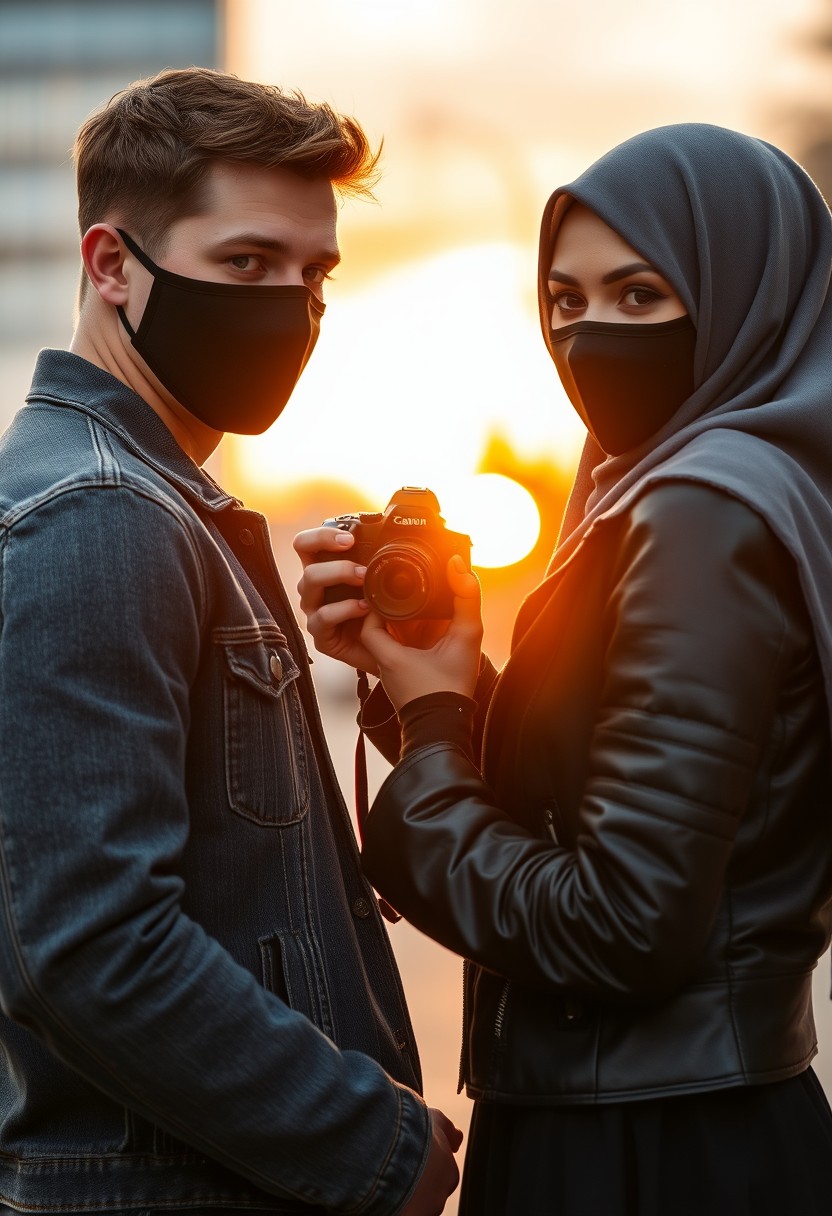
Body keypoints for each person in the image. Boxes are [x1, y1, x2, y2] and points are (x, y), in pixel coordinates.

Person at [295, 122, 832, 1214]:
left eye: (639, 296)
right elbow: (630, 804)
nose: (590, 339)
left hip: (641, 1153)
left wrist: (435, 739)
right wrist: (427, 687)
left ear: (742, 290)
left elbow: (621, 920)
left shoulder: (699, 510)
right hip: (696, 1119)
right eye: (566, 303)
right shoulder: (712, 486)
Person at [0, 67, 463, 1215]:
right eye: (247, 264)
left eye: (316, 274)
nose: (290, 307)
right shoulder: (100, 515)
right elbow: (93, 944)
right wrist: (374, 1148)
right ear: (112, 266)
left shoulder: (160, 505)